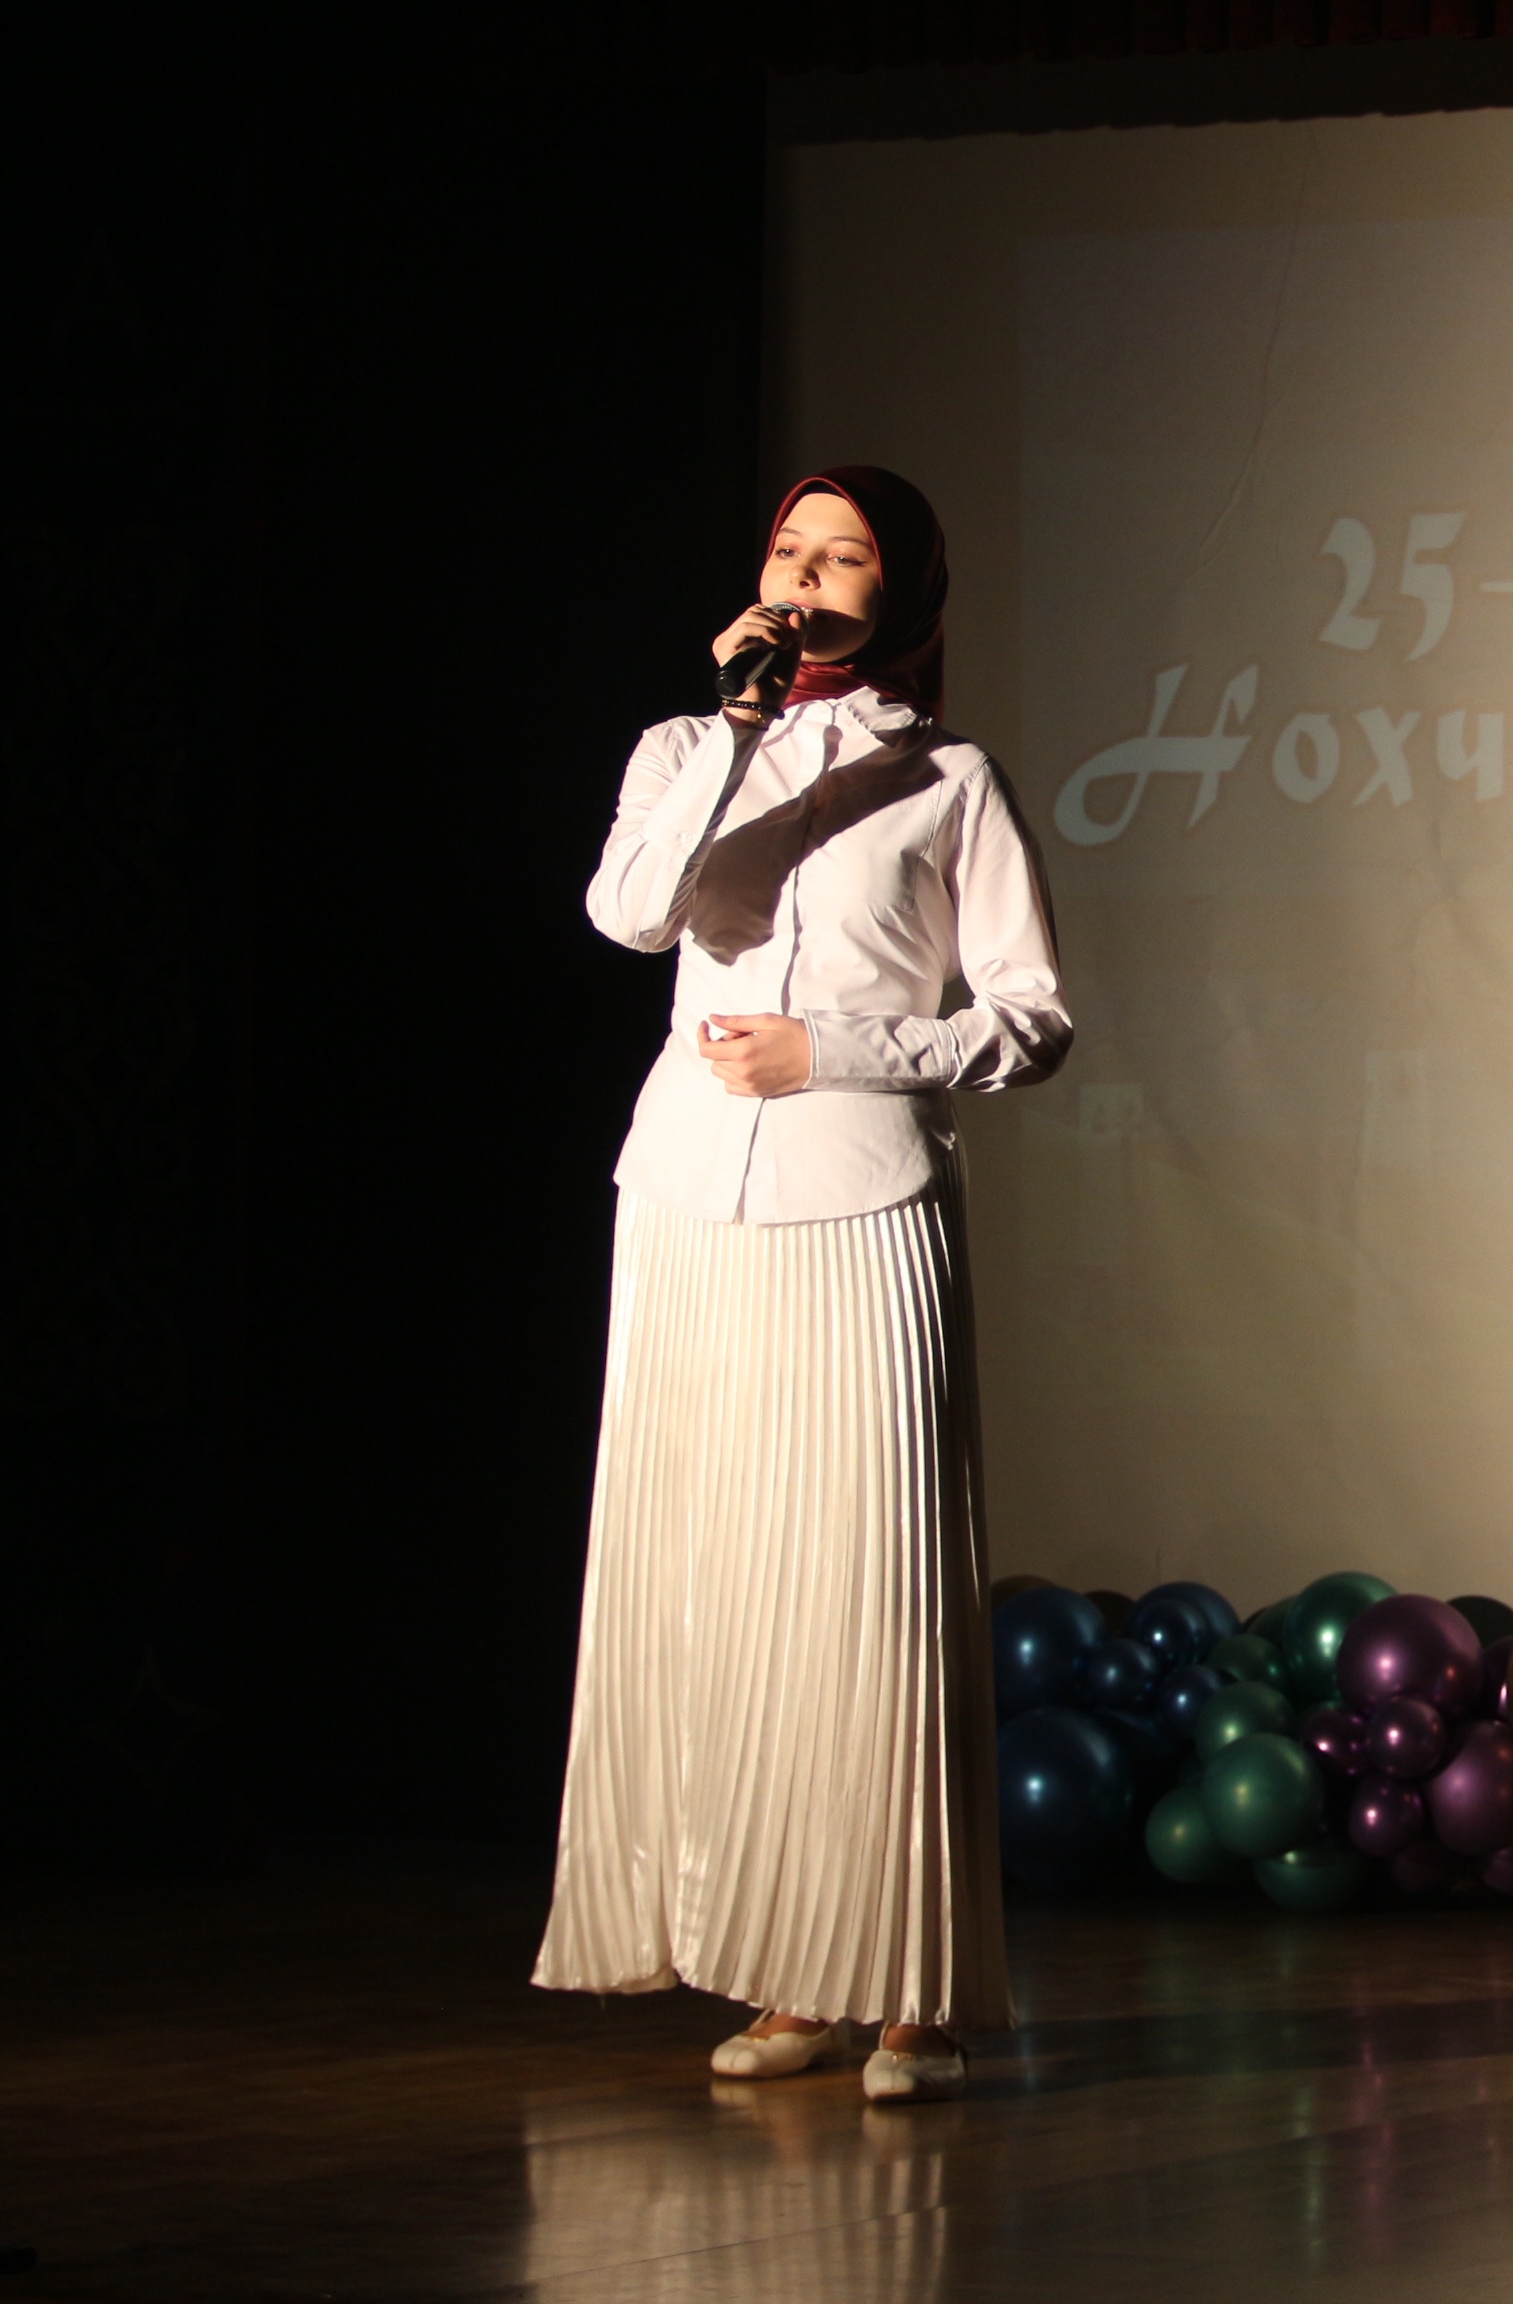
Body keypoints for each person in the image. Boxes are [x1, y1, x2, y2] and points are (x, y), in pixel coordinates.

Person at [531, 468, 1069, 2103]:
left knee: (866, 1593)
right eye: (790, 549)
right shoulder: (683, 750)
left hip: (862, 1193)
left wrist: (832, 1049)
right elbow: (630, 914)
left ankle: (909, 1990)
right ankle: (787, 1971)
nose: (810, 576)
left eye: (846, 556)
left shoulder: (950, 779)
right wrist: (735, 729)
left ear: (903, 591)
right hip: (686, 1197)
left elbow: (1031, 1017)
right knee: (731, 1587)